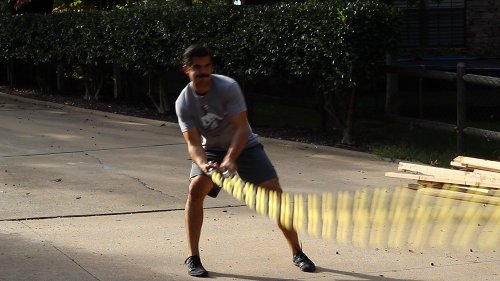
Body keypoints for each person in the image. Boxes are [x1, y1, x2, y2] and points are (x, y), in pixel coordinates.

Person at [175, 44, 316, 278]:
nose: (203, 71)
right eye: (197, 67)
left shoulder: (227, 87)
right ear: (186, 70)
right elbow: (193, 144)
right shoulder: (184, 102)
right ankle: (193, 257)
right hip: (212, 149)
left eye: (207, 66)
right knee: (196, 189)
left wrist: (231, 160)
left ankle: (297, 252)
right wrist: (204, 166)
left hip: (245, 145)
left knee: (275, 194)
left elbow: (241, 129)